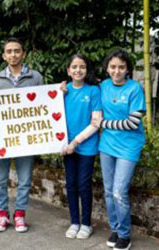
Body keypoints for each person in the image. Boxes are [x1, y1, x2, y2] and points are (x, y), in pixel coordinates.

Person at [92, 49, 146, 250]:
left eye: (121, 67)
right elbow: (82, 88)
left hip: (128, 147)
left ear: (127, 69)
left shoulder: (135, 89)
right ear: (107, 68)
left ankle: (124, 234)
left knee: (119, 192)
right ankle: (115, 228)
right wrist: (63, 88)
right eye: (113, 67)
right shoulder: (102, 86)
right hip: (107, 146)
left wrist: (104, 123)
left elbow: (132, 123)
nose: (117, 71)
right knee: (108, 191)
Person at [0, 37, 43, 233]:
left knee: (25, 179)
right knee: (0, 179)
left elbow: (43, 106)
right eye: (9, 51)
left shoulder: (36, 77)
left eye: (17, 51)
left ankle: (20, 214)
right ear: (4, 56)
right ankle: (2, 215)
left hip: (26, 139)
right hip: (2, 138)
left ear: (23, 53)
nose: (13, 54)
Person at [61, 53, 102, 239]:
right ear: (68, 71)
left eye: (82, 67)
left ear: (87, 70)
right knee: (71, 184)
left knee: (84, 184)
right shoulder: (63, 91)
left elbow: (96, 122)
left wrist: (75, 142)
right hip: (66, 147)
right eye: (74, 67)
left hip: (86, 146)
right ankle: (74, 222)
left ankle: (86, 223)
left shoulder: (93, 91)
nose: (78, 70)